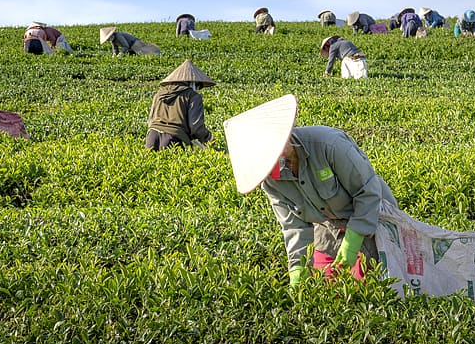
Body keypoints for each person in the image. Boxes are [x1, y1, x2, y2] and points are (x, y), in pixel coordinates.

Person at [223, 94, 398, 284]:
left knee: (368, 284)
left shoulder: (329, 145)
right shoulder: (270, 178)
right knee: (325, 286)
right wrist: (297, 268)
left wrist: (352, 242)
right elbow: (293, 226)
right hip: (327, 227)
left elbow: (368, 191)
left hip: (372, 217)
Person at [145, 59, 215, 150]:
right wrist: (209, 138)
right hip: (173, 139)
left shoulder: (159, 95)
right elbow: (196, 127)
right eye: (198, 86)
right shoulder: (193, 96)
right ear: (192, 83)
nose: (198, 89)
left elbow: (150, 121)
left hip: (151, 138)